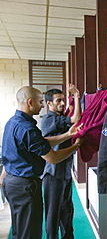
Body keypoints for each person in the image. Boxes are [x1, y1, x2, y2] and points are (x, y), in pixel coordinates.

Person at [1, 86, 83, 239]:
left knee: (21, 230)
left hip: (13, 183)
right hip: (25, 185)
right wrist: (76, 146)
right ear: (30, 102)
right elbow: (53, 158)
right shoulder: (30, 127)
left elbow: (41, 142)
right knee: (30, 232)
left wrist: (67, 135)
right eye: (40, 102)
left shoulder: (13, 122)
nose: (42, 105)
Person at [41, 85, 81, 239]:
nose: (62, 103)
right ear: (49, 103)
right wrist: (76, 97)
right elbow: (76, 119)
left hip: (64, 172)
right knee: (53, 212)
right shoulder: (49, 119)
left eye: (63, 100)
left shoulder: (59, 118)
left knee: (66, 209)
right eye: (58, 100)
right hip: (53, 173)